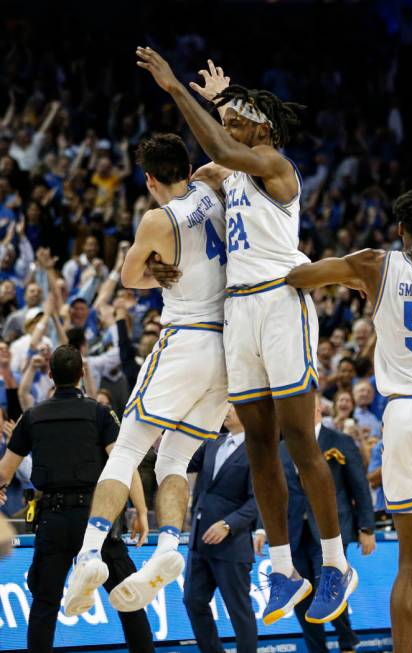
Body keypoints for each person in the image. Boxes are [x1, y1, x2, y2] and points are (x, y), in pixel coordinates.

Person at [136, 48, 356, 624]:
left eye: (238, 119)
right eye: (226, 120)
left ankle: (334, 561)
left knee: (299, 441)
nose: (228, 128)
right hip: (238, 311)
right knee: (258, 444)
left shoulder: (274, 164)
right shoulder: (228, 173)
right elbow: (190, 185)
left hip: (280, 302)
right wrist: (161, 261)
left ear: (263, 127)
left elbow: (223, 149)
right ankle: (283, 569)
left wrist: (179, 92)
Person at [64, 133, 228, 616]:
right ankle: (167, 548)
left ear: (150, 179)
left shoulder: (158, 218)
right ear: (188, 165)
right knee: (174, 459)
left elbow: (129, 279)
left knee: (131, 447)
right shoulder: (212, 190)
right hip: (229, 348)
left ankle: (90, 553)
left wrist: (159, 270)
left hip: (187, 337)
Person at [286, 187, 412, 653]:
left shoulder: (374, 263)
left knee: (410, 564)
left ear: (399, 229)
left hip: (404, 414)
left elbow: (299, 276)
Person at [0, 345, 154, 653]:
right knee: (127, 598)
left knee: (44, 605)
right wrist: (141, 511)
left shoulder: (32, 417)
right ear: (82, 373)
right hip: (97, 518)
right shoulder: (99, 413)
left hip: (53, 519)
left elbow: (5, 471)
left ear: (50, 375)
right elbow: (124, 465)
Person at [255, 394, 375, 653]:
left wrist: (367, 527)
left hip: (330, 530)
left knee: (330, 588)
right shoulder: (282, 447)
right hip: (295, 531)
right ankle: (316, 649)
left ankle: (347, 642)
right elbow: (271, 492)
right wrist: (263, 528)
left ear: (318, 408)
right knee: (301, 596)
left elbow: (360, 486)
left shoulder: (340, 442)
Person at [184, 406, 258, 653]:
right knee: (193, 601)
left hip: (231, 546)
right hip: (199, 541)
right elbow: (182, 460)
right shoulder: (212, 443)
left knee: (239, 611)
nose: (226, 411)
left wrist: (229, 524)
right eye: (224, 406)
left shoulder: (258, 450)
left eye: (233, 407)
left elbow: (258, 500)